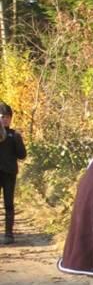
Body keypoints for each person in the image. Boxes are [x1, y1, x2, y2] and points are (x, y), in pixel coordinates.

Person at [0, 102, 26, 244]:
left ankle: (8, 234)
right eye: (2, 116)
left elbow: (22, 155)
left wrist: (17, 141)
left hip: (9, 173)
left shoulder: (14, 135)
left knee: (8, 203)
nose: (5, 119)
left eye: (7, 117)